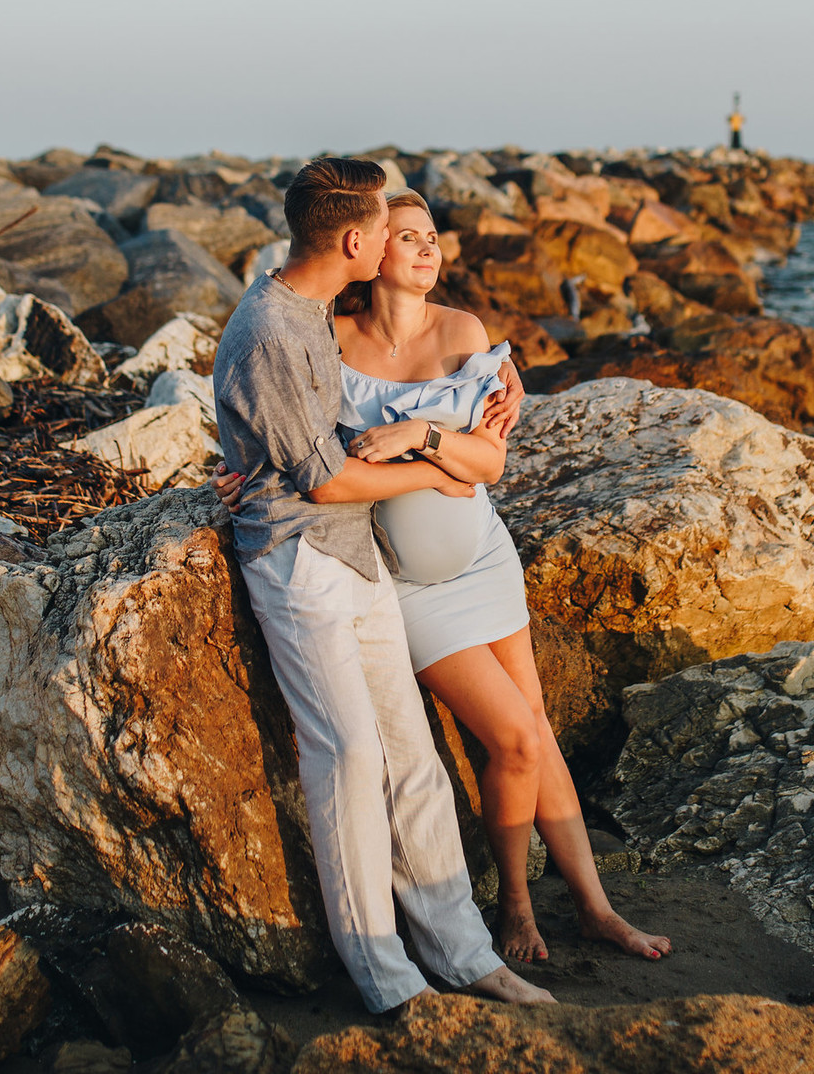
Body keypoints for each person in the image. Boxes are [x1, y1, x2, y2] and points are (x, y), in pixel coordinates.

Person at [217, 189, 671, 966]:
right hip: (408, 586)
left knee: (536, 729)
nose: (431, 251)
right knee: (516, 738)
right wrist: (239, 468)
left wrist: (425, 437)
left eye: (435, 238)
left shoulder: (465, 331)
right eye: (410, 238)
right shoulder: (331, 342)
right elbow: (287, 427)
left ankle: (596, 907)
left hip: (485, 557)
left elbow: (487, 462)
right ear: (368, 250)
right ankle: (516, 909)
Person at [211, 158, 550, 1013]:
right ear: (358, 243)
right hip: (298, 565)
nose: (408, 241)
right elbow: (324, 481)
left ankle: (467, 953)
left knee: (413, 758)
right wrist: (439, 467)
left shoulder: (317, 308)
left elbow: (385, 374)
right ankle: (387, 978)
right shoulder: (271, 332)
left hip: (358, 558)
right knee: (351, 757)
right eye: (387, 230)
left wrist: (495, 382)